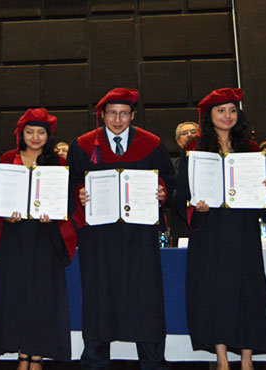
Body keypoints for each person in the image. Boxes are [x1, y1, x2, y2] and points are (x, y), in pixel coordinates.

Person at [67, 88, 174, 370]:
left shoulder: (151, 144)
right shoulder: (83, 144)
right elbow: (72, 183)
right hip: (99, 238)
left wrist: (163, 193)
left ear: (132, 115)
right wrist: (79, 193)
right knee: (99, 296)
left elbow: (168, 180)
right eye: (112, 113)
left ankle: (152, 361)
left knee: (145, 297)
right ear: (102, 115)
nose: (117, 119)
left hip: (139, 236)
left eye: (123, 113)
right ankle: (95, 359)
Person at [176, 88, 266, 370]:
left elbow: (263, 203)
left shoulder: (252, 149)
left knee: (248, 290)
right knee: (213, 290)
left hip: (242, 228)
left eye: (232, 110)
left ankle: (246, 359)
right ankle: (222, 358)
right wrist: (195, 207)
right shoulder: (194, 152)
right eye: (220, 111)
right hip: (210, 230)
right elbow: (181, 196)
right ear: (209, 116)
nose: (227, 116)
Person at [0, 108, 76, 370]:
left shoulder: (58, 164)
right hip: (15, 238)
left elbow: (67, 203)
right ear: (21, 134)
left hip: (45, 238)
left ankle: (36, 355)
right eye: (29, 132)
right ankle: (21, 354)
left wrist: (55, 215)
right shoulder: (6, 160)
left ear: (48, 136)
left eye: (41, 132)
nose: (35, 137)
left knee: (41, 298)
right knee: (17, 296)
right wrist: (5, 215)